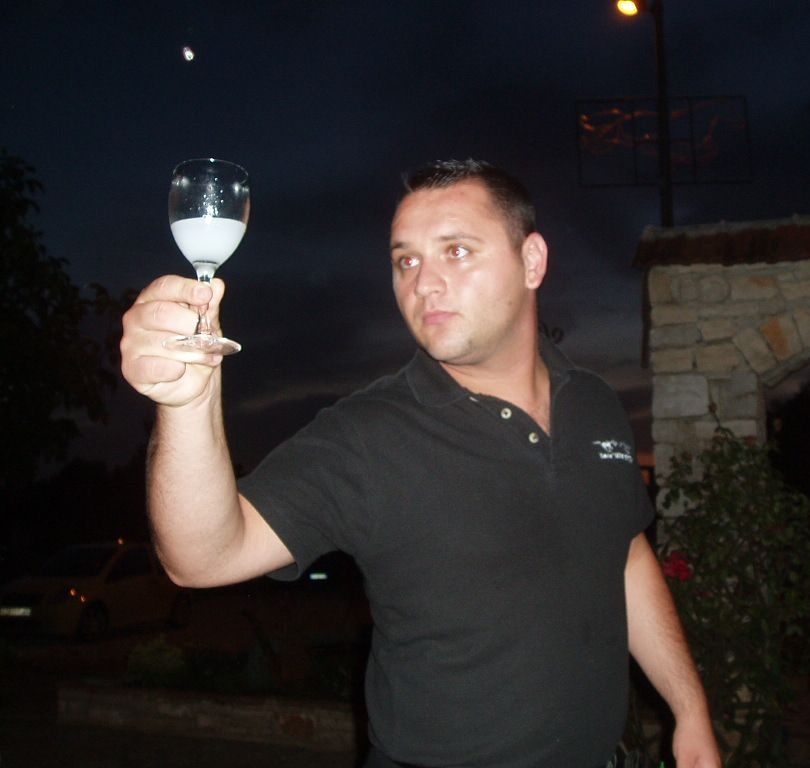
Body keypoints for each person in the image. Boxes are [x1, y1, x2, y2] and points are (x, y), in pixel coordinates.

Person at [120, 159, 719, 768]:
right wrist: (186, 403)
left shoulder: (594, 404)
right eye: (406, 260)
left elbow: (625, 554)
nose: (424, 283)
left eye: (456, 251)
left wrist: (690, 709)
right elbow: (201, 557)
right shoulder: (369, 434)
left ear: (532, 261)